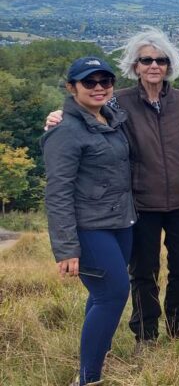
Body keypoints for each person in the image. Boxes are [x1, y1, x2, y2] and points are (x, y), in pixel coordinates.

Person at [45, 27, 179, 350]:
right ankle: (146, 334)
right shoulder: (117, 102)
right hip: (140, 202)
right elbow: (86, 117)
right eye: (146, 60)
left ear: (169, 64)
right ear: (135, 66)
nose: (154, 66)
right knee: (143, 272)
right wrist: (57, 117)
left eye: (160, 60)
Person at [43, 56, 136, 386]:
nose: (99, 87)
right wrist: (67, 248)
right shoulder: (65, 131)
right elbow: (57, 192)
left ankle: (90, 365)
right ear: (71, 88)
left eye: (105, 81)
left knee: (102, 296)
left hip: (120, 222)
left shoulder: (113, 118)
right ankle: (89, 379)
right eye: (89, 82)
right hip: (89, 227)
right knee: (113, 293)